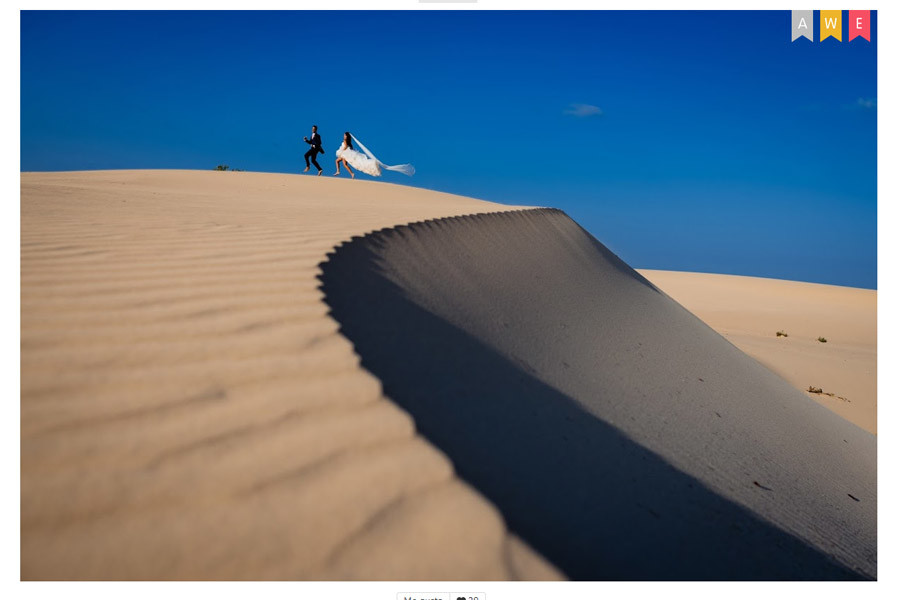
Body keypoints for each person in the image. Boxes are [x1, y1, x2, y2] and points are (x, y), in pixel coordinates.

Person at [334, 132, 415, 178]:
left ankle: (341, 172)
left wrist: (342, 151)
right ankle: (349, 173)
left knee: (338, 162)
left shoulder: (345, 141)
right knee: (343, 163)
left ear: (346, 136)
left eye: (344, 135)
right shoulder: (349, 142)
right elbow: (349, 147)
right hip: (348, 153)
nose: (344, 136)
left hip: (345, 153)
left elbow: (345, 147)